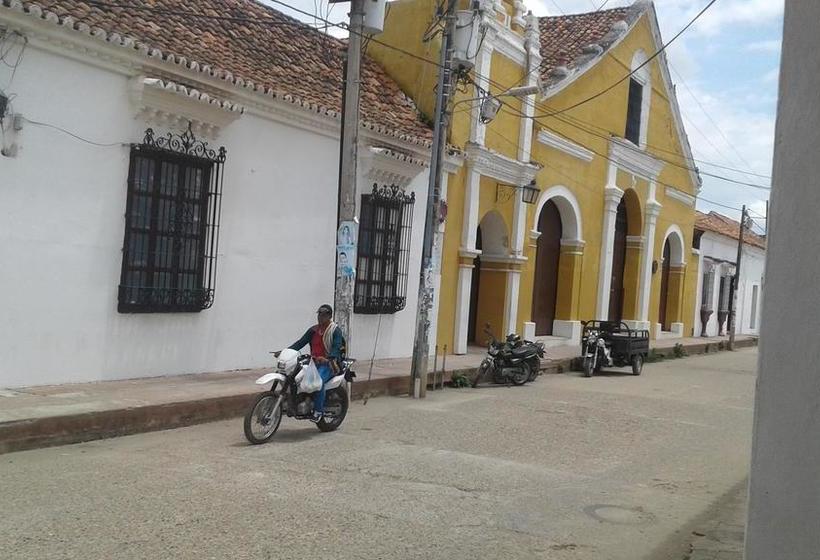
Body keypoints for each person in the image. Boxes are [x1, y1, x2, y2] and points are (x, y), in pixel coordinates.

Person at [289, 304, 344, 421]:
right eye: (319, 314)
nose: (320, 317)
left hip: (329, 364)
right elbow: (300, 343)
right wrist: (286, 351)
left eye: (324, 315)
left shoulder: (335, 331)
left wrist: (328, 358)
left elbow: (337, 346)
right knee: (294, 377)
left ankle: (318, 411)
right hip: (313, 363)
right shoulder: (313, 330)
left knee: (318, 382)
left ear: (329, 316)